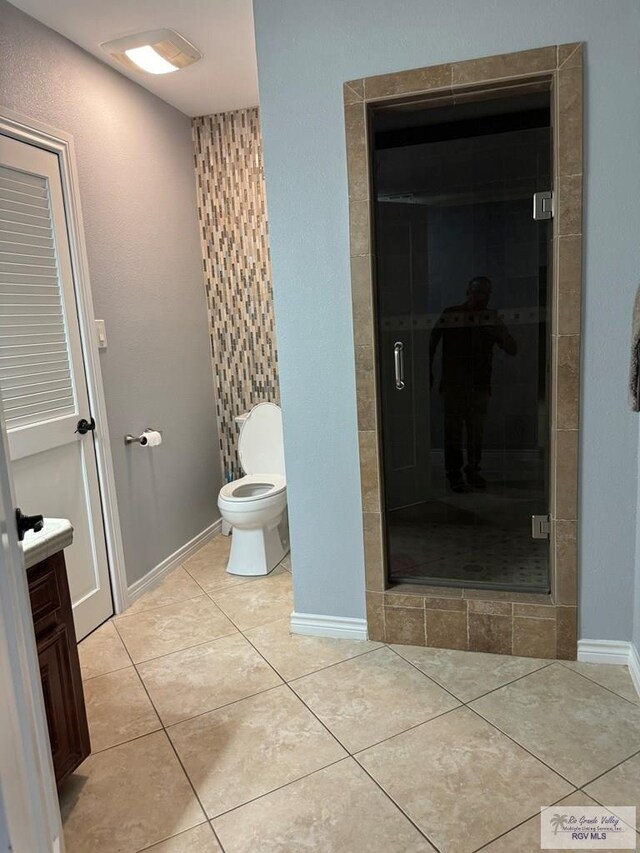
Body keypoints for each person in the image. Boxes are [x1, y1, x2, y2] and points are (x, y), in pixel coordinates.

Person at [429, 276, 516, 493]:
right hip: (454, 386)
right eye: (478, 292)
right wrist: (426, 371)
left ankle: (472, 470)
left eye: (486, 293)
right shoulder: (451, 314)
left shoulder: (491, 318)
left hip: (478, 386)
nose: (482, 297)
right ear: (467, 291)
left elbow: (512, 348)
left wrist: (496, 330)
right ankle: (455, 474)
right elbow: (431, 341)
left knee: (476, 434)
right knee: (453, 434)